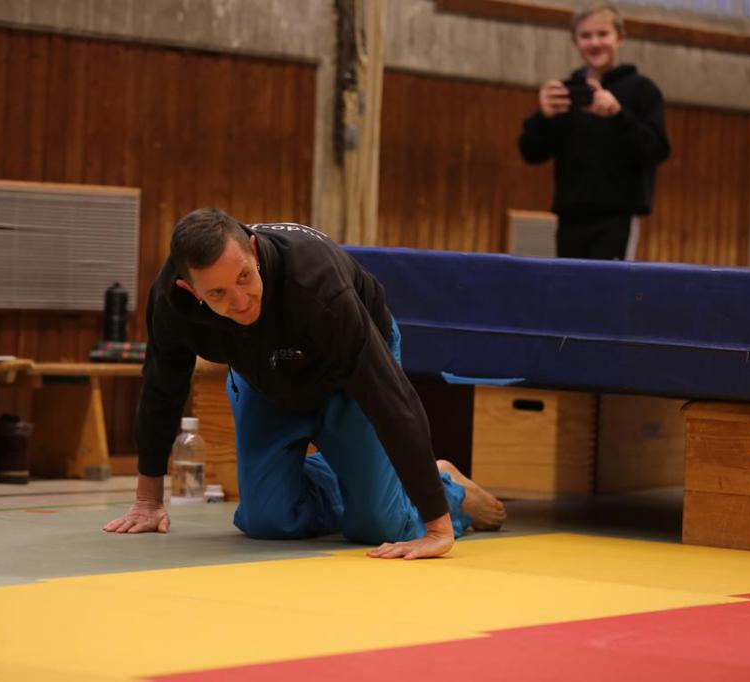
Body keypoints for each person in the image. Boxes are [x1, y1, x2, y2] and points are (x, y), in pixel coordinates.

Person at [103, 208, 506, 559]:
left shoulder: (315, 281)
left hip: (350, 376)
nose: (240, 301)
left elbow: (390, 396)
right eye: (218, 293)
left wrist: (437, 527)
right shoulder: (171, 303)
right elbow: (162, 388)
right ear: (190, 290)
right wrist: (148, 500)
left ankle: (445, 487)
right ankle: (372, 479)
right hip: (265, 377)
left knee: (378, 525)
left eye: (244, 277)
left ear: (254, 251)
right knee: (267, 521)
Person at [518, 1, 670, 260]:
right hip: (570, 215)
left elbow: (657, 150)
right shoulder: (564, 93)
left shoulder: (642, 90)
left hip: (618, 217)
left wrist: (618, 114)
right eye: (586, 35)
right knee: (571, 284)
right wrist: (543, 116)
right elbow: (531, 153)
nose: (595, 43)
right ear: (575, 41)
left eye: (603, 34)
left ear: (620, 37)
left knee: (610, 284)